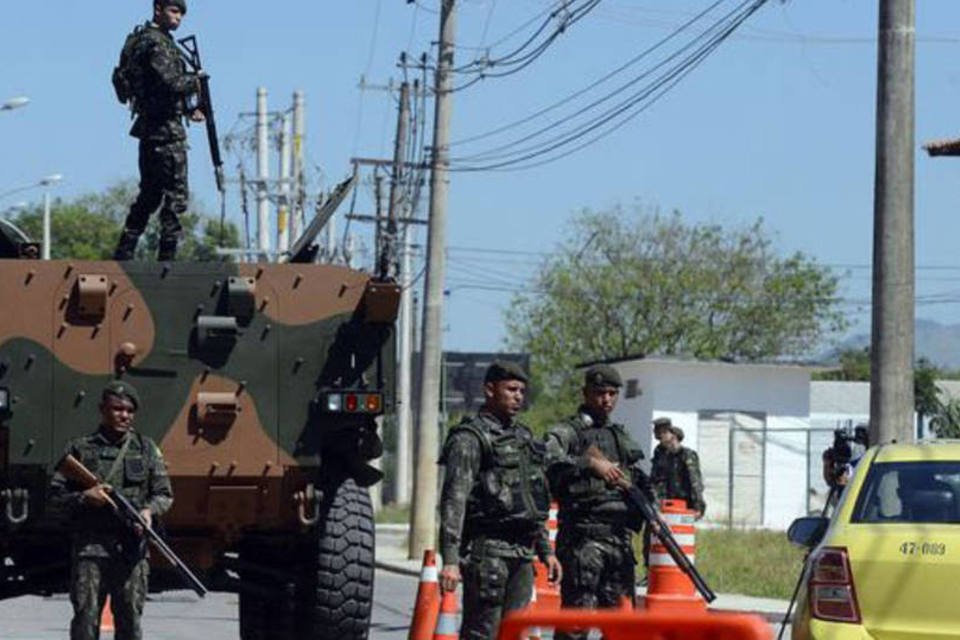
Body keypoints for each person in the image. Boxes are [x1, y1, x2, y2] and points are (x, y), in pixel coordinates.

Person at [438, 361, 561, 640]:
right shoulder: (470, 438)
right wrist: (450, 559)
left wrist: (546, 551)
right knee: (483, 633)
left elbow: (532, 500)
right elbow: (454, 500)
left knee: (515, 634)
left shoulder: (523, 438)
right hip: (487, 555)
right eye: (511, 389)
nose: (518, 396)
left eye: (521, 391)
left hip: (522, 555)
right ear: (490, 390)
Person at [49, 381, 173, 640]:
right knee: (85, 619)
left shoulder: (146, 448)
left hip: (131, 551)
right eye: (117, 409)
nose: (124, 415)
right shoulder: (80, 449)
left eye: (129, 410)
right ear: (102, 410)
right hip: (90, 550)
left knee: (130, 621)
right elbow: (54, 498)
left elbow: (164, 493)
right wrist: (85, 497)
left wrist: (149, 511)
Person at [544, 364, 644, 636]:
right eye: (600, 393)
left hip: (619, 542)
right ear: (585, 393)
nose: (607, 399)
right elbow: (547, 461)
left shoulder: (619, 436)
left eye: (613, 393)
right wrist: (588, 464)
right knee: (576, 624)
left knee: (620, 627)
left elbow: (638, 479)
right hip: (583, 541)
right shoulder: (568, 432)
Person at [112, 0, 204, 262]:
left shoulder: (138, 40)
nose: (178, 18)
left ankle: (125, 251)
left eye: (181, 14)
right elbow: (170, 82)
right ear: (158, 9)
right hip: (166, 131)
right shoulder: (156, 43)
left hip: (149, 127)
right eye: (174, 11)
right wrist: (196, 81)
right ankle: (167, 257)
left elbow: (150, 87)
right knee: (176, 195)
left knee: (150, 194)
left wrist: (189, 110)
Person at [649, 418, 705, 519]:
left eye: (663, 434)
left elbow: (695, 481)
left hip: (682, 506)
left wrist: (699, 505)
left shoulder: (687, 455)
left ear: (672, 435)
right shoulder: (660, 453)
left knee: (680, 532)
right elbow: (654, 480)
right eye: (658, 435)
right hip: (662, 505)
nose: (660, 439)